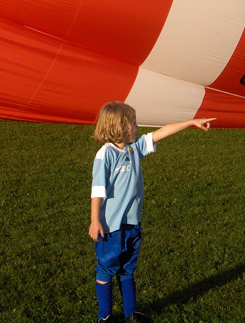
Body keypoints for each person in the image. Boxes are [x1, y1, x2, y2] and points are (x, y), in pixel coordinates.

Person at [89, 101, 214, 322]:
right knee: (107, 267)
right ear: (117, 126)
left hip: (131, 221)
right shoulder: (105, 154)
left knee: (128, 267)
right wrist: (94, 220)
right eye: (132, 123)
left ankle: (132, 312)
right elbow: (97, 190)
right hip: (110, 224)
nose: (136, 127)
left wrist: (191, 122)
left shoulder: (133, 147)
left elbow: (161, 133)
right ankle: (104, 316)